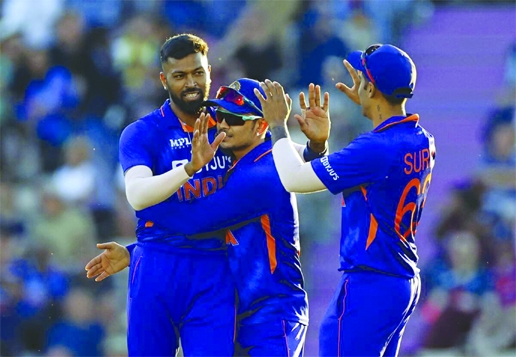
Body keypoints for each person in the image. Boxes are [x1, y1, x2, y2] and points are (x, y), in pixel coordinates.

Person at [86, 78, 330, 356]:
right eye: (220, 115)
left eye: (234, 119)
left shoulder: (261, 173)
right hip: (241, 311)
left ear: (261, 126)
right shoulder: (238, 163)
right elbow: (215, 232)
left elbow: (196, 221)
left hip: (273, 313)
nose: (223, 125)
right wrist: (135, 252)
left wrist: (141, 200)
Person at [254, 44, 436, 356]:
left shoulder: (375, 148)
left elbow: (294, 179)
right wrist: (322, 142)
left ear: (371, 87)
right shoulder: (421, 138)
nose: (354, 84)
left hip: (371, 283)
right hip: (400, 280)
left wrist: (276, 125)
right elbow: (377, 157)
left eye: (361, 78)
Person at [100, 33, 236, 357]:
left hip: (214, 269)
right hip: (156, 267)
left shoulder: (231, 125)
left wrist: (316, 148)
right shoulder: (142, 133)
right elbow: (137, 195)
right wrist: (189, 168)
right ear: (164, 79)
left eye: (198, 73)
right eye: (179, 76)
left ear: (210, 71)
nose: (191, 83)